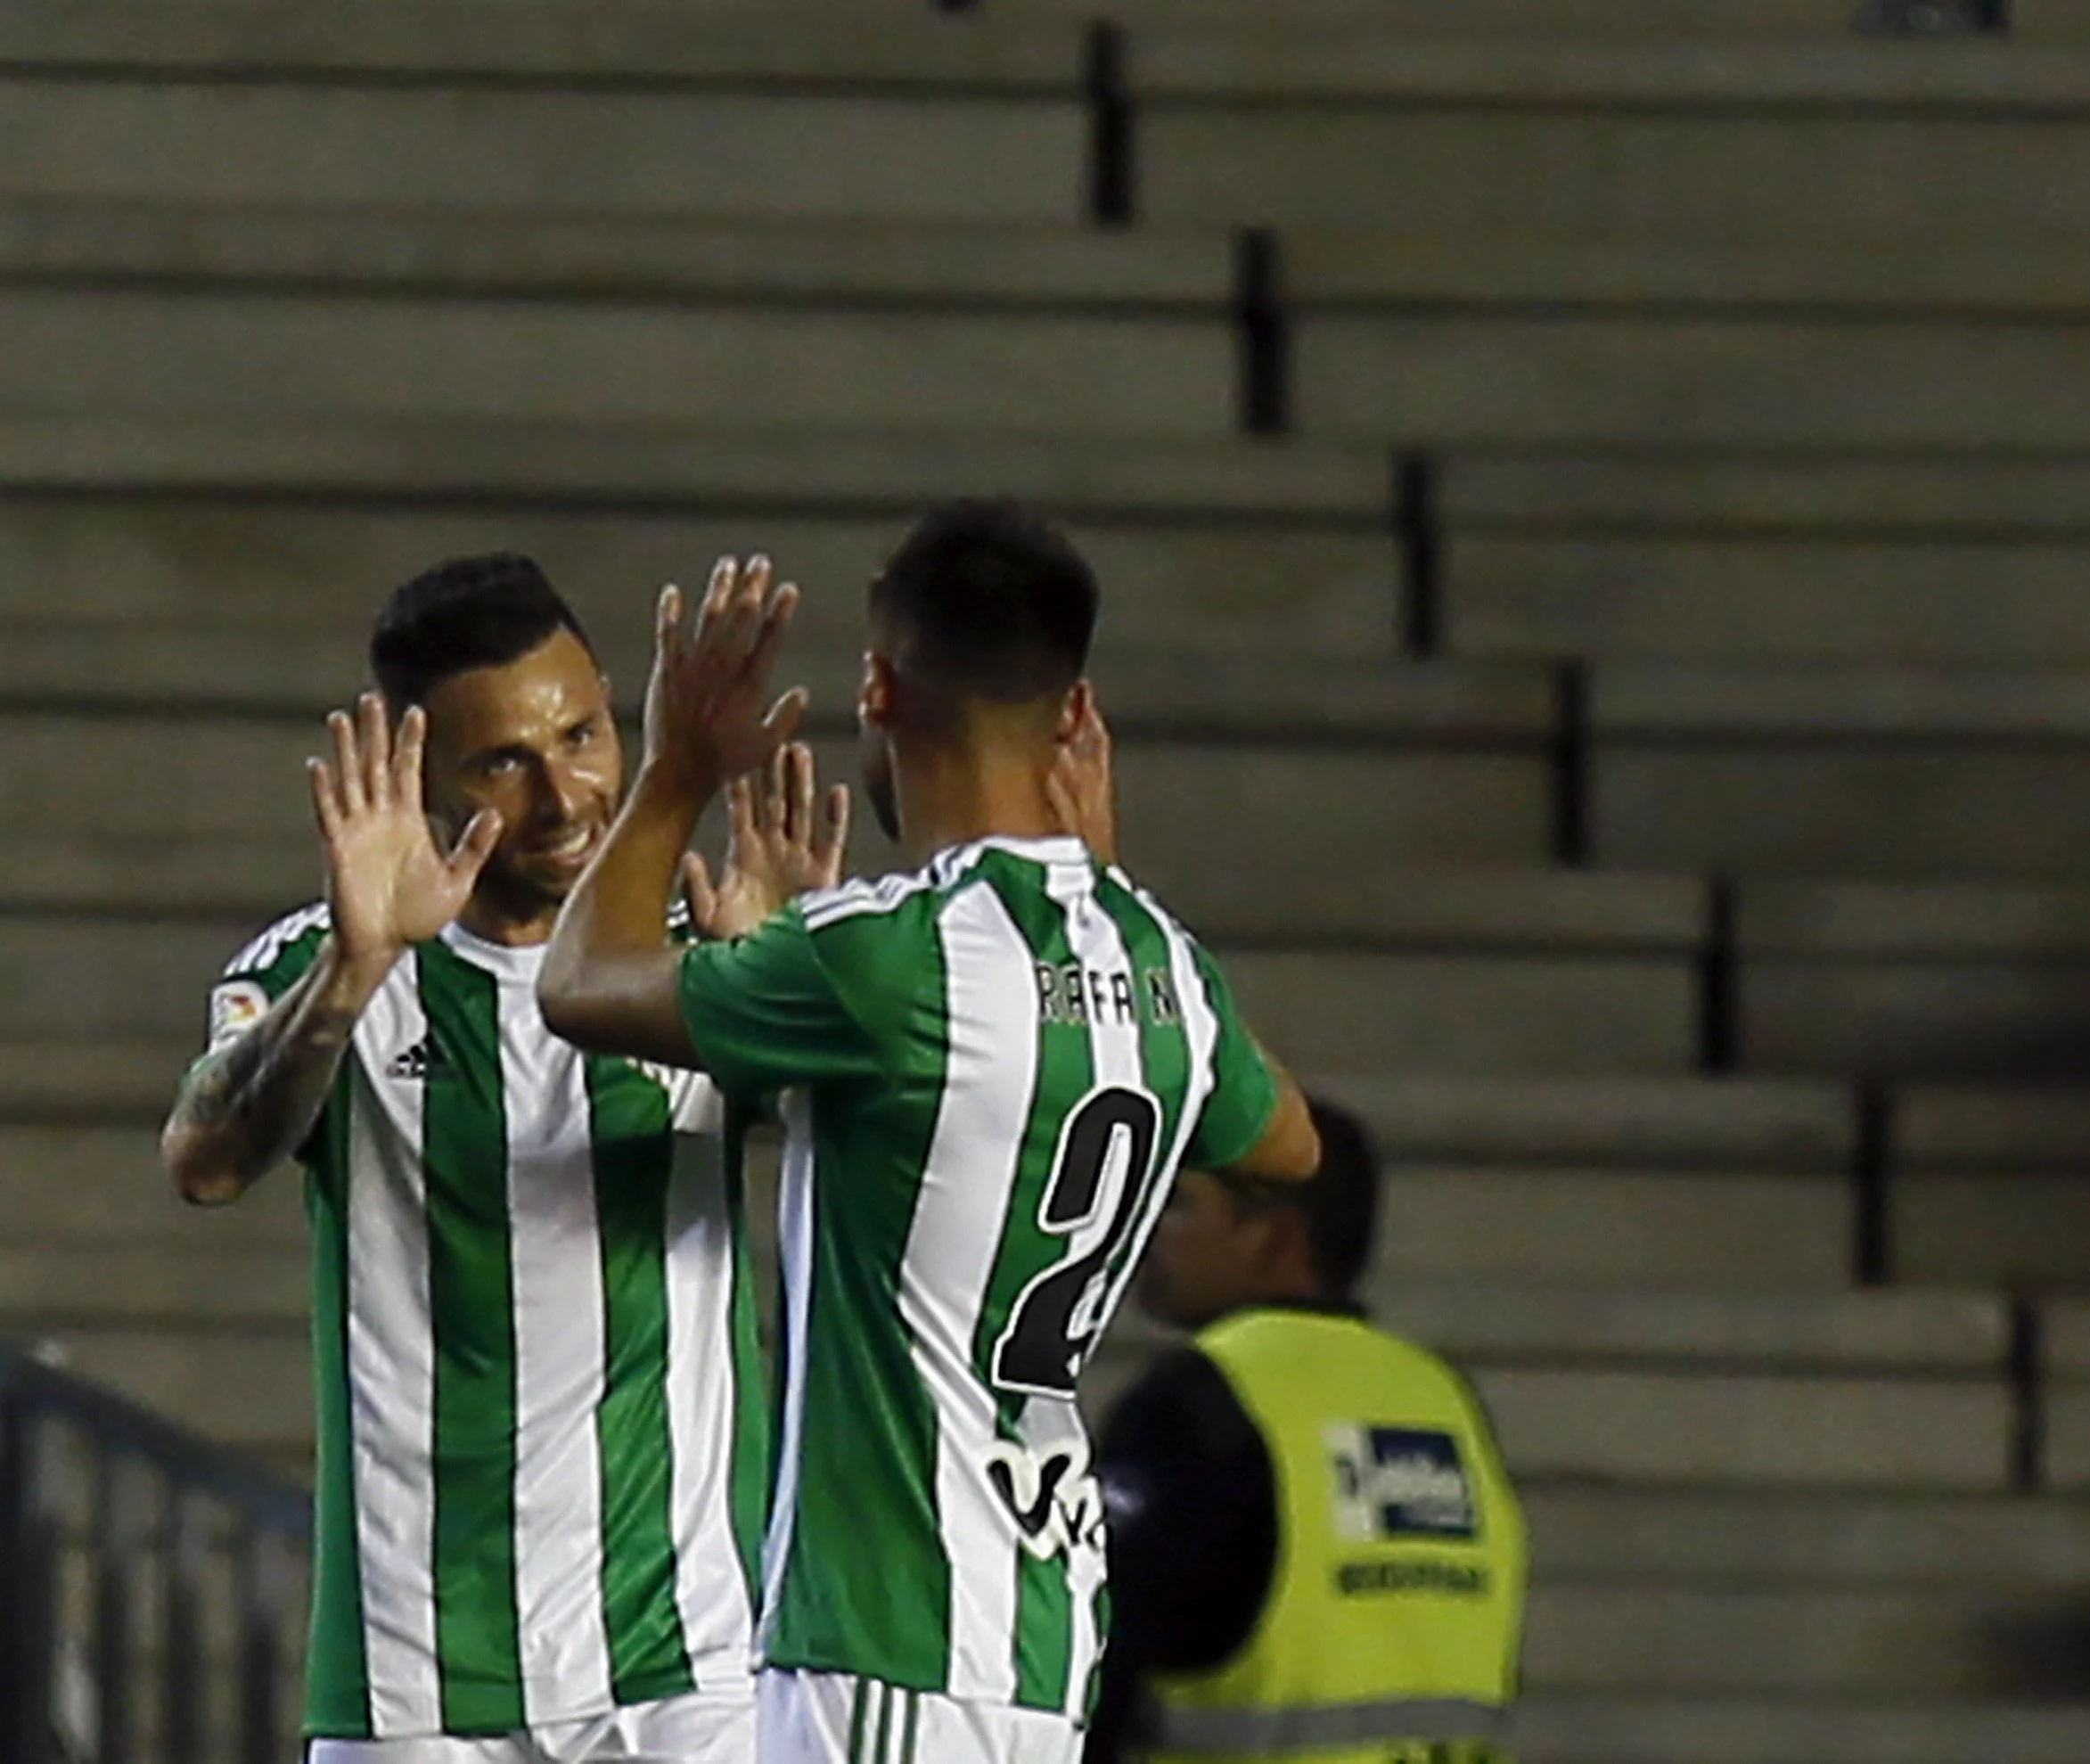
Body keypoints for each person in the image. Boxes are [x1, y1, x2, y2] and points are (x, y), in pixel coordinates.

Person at [533, 504, 1324, 1764]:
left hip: (892, 1628)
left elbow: (580, 979)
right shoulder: (1160, 961)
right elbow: (1285, 1144)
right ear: (1076, 715)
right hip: (1043, 1630)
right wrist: (1117, 899)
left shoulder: (889, 957)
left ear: (878, 687)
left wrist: (678, 766)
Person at [160, 554, 843, 1762]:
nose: (566, 792)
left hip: (687, 1662)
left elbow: (867, 1156)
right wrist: (352, 973)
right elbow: (206, 1159)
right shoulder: (320, 961)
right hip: (417, 1682)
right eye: (502, 762)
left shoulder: (704, 952)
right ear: (420, 775)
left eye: (581, 733)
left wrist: (795, 992)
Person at [1088, 1099, 1527, 1764]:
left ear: (1276, 1236)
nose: (1147, 1229)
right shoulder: (1443, 1400)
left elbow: (1092, 1649)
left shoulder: (1201, 1402)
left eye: (1177, 1202)